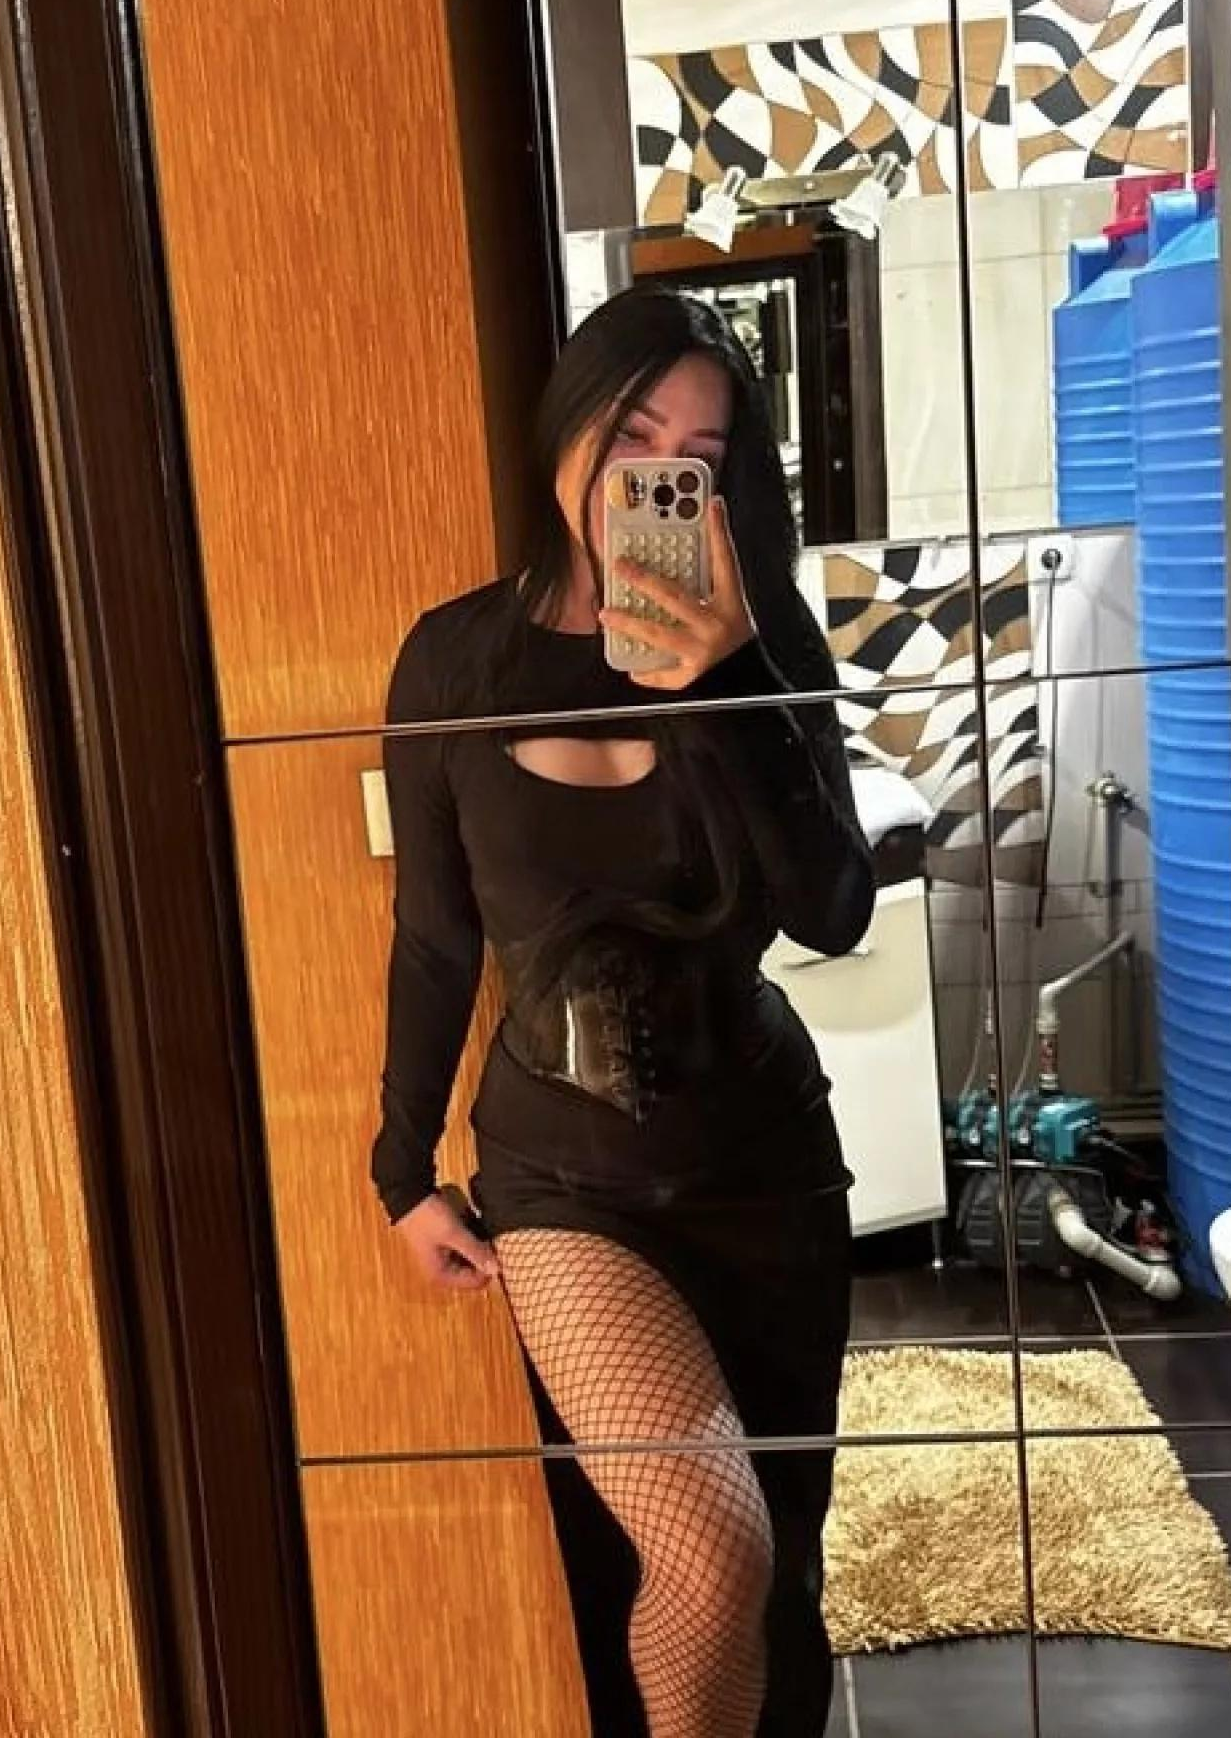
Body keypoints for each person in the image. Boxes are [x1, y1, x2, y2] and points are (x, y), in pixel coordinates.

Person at [371, 287, 874, 1738]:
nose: (657, 473)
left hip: (763, 1168)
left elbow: (833, 910)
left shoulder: (764, 643)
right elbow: (436, 938)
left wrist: (729, 679)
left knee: (773, 1575)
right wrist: (402, 1167)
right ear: (565, 437)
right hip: (563, 1180)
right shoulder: (455, 659)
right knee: (708, 1553)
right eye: (632, 433)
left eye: (697, 458)